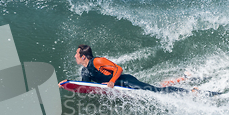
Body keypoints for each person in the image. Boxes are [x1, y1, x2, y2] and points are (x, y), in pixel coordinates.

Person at [58, 44, 189, 93]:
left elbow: (118, 69)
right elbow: (86, 86)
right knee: (154, 88)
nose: (75, 56)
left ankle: (189, 91)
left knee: (157, 91)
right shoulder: (84, 71)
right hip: (120, 88)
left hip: (126, 82)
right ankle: (176, 80)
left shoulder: (97, 61)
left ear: (84, 56)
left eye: (77, 54)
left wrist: (112, 81)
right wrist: (68, 84)